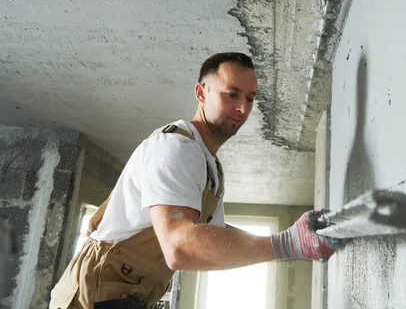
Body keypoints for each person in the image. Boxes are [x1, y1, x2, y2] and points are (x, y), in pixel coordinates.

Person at [49, 52, 344, 309]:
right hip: (92, 295)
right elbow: (180, 246)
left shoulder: (210, 166)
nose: (243, 108)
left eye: (250, 99)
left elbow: (208, 237)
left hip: (125, 295)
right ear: (201, 93)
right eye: (232, 94)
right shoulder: (175, 148)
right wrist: (285, 245)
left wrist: (292, 238)